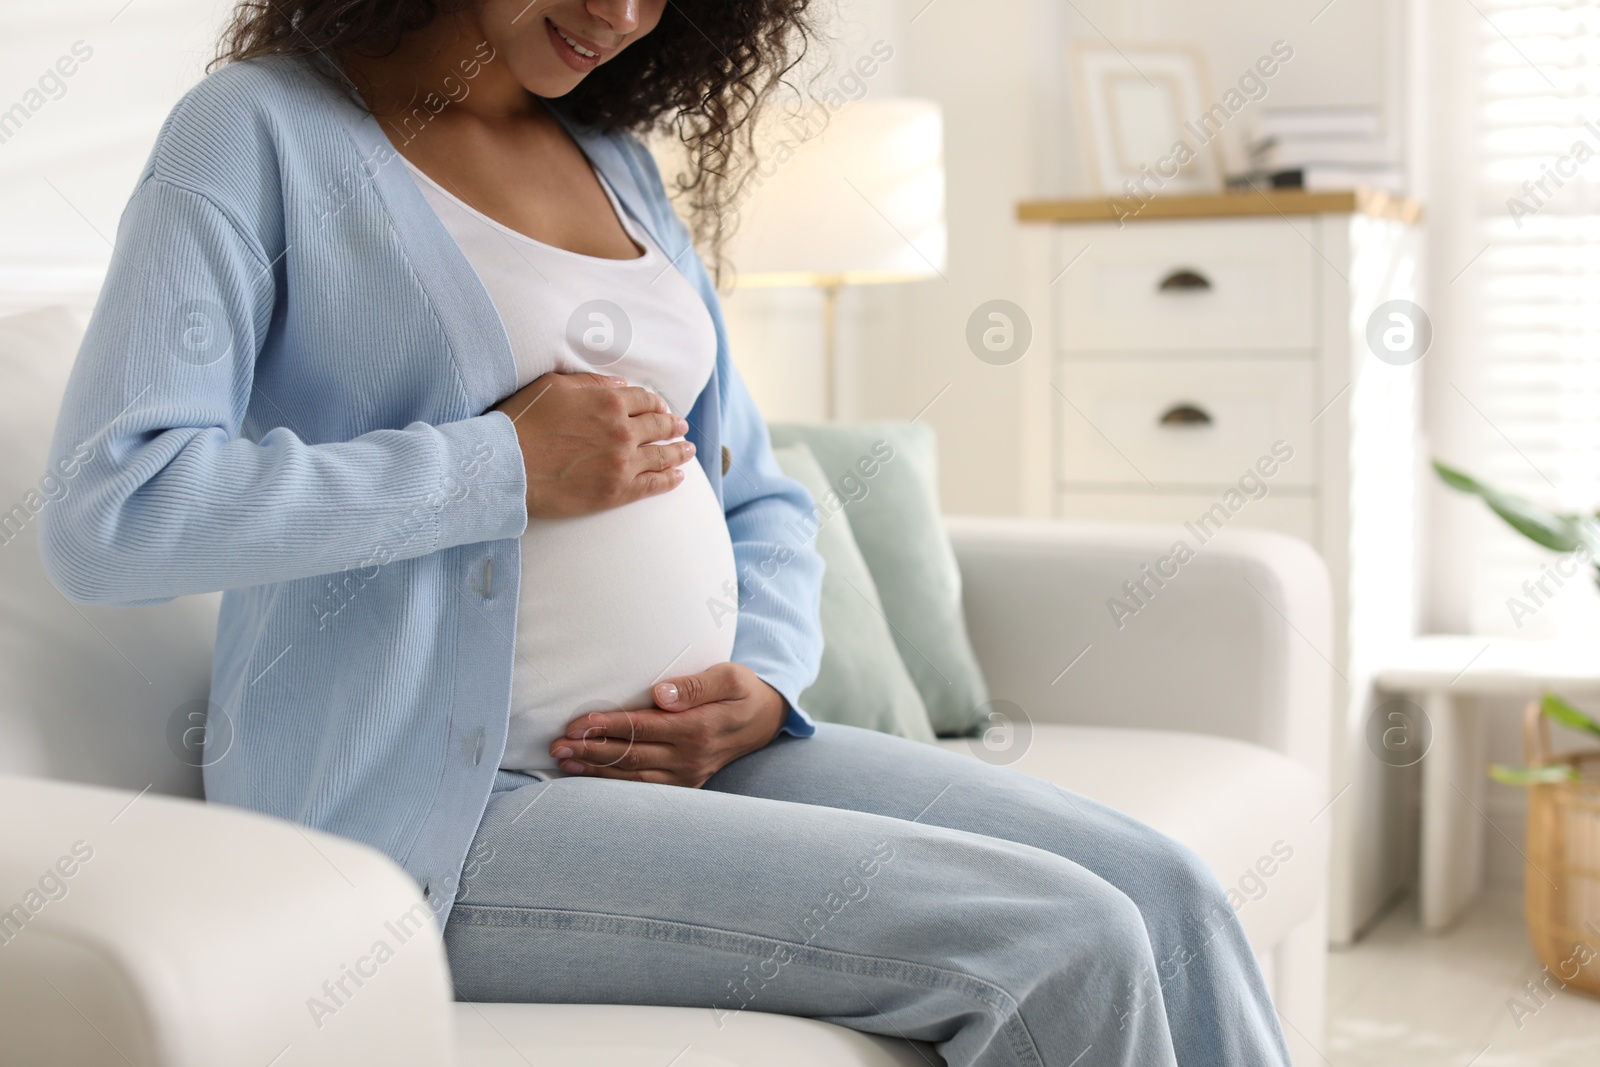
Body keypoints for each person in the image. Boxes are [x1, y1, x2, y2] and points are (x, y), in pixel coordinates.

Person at [38, 2, 1293, 1064]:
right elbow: (114, 510)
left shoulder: (613, 162)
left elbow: (760, 495)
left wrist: (763, 680)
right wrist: (496, 464)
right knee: (1056, 937)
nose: (626, 14)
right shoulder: (259, 132)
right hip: (442, 807)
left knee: (1164, 889)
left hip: (697, 753)